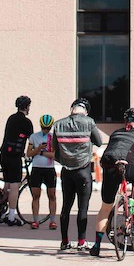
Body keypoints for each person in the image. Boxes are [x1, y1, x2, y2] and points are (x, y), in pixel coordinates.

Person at [90, 107, 134, 258]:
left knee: (105, 208)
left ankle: (96, 245)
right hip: (128, 168)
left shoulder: (115, 133)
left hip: (110, 168)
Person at [52, 98, 103, 252]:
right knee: (82, 208)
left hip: (67, 171)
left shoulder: (59, 124)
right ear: (86, 111)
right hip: (84, 170)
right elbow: (99, 142)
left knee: (66, 207)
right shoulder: (89, 122)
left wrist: (65, 159)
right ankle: (81, 241)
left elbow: (55, 149)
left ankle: (64, 241)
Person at [0, 95, 34, 227]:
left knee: (7, 183)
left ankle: (2, 212)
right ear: (26, 107)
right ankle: (12, 217)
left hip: (4, 154)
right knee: (14, 186)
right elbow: (31, 141)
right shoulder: (26, 122)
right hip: (14, 156)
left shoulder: (11, 118)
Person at [27, 113, 57, 230]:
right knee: (36, 195)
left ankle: (53, 221)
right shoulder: (34, 137)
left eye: (48, 128)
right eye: (44, 127)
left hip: (49, 169)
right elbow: (28, 153)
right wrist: (39, 148)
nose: (45, 130)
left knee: (52, 195)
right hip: (36, 168)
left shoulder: (53, 137)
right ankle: (35, 220)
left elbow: (54, 155)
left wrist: (40, 152)